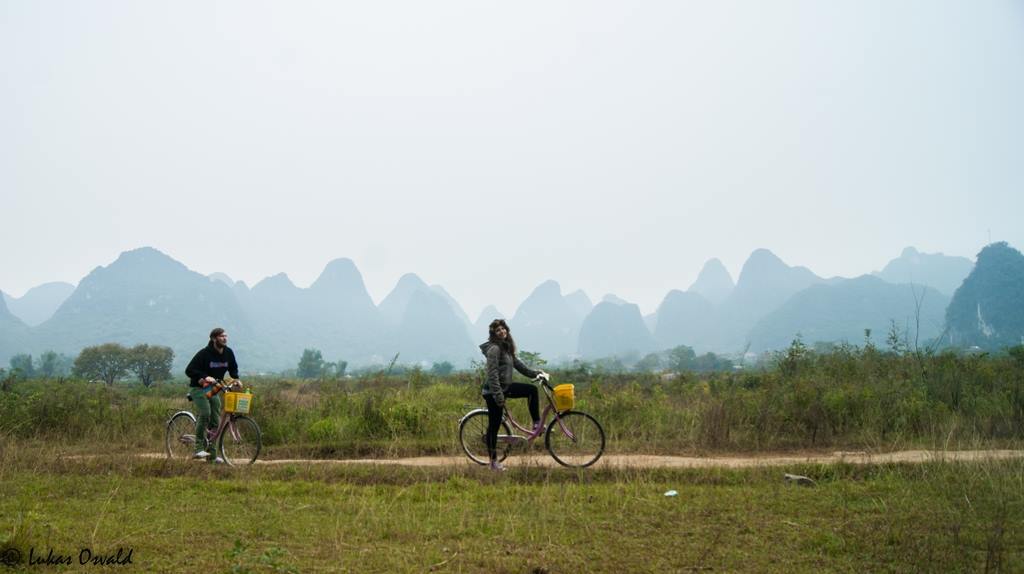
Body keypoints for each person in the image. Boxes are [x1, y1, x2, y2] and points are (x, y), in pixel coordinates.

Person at [479, 319, 549, 471]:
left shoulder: (506, 348)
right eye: (498, 330)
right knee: (494, 426)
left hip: (505, 387)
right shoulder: (494, 349)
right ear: (494, 334)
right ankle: (493, 463)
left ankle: (537, 423)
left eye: (503, 328)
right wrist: (498, 396)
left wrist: (536, 374)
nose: (501, 331)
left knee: (531, 390)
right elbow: (492, 375)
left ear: (507, 330)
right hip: (493, 392)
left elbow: (520, 366)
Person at [184, 327, 240, 462]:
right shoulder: (204, 354)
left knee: (215, 419)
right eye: (221, 336)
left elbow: (233, 368)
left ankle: (212, 456)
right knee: (205, 413)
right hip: (198, 388)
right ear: (214, 339)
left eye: (226, 336)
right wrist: (205, 376)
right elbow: (189, 370)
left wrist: (236, 379)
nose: (224, 338)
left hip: (213, 389)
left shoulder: (228, 352)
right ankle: (198, 448)